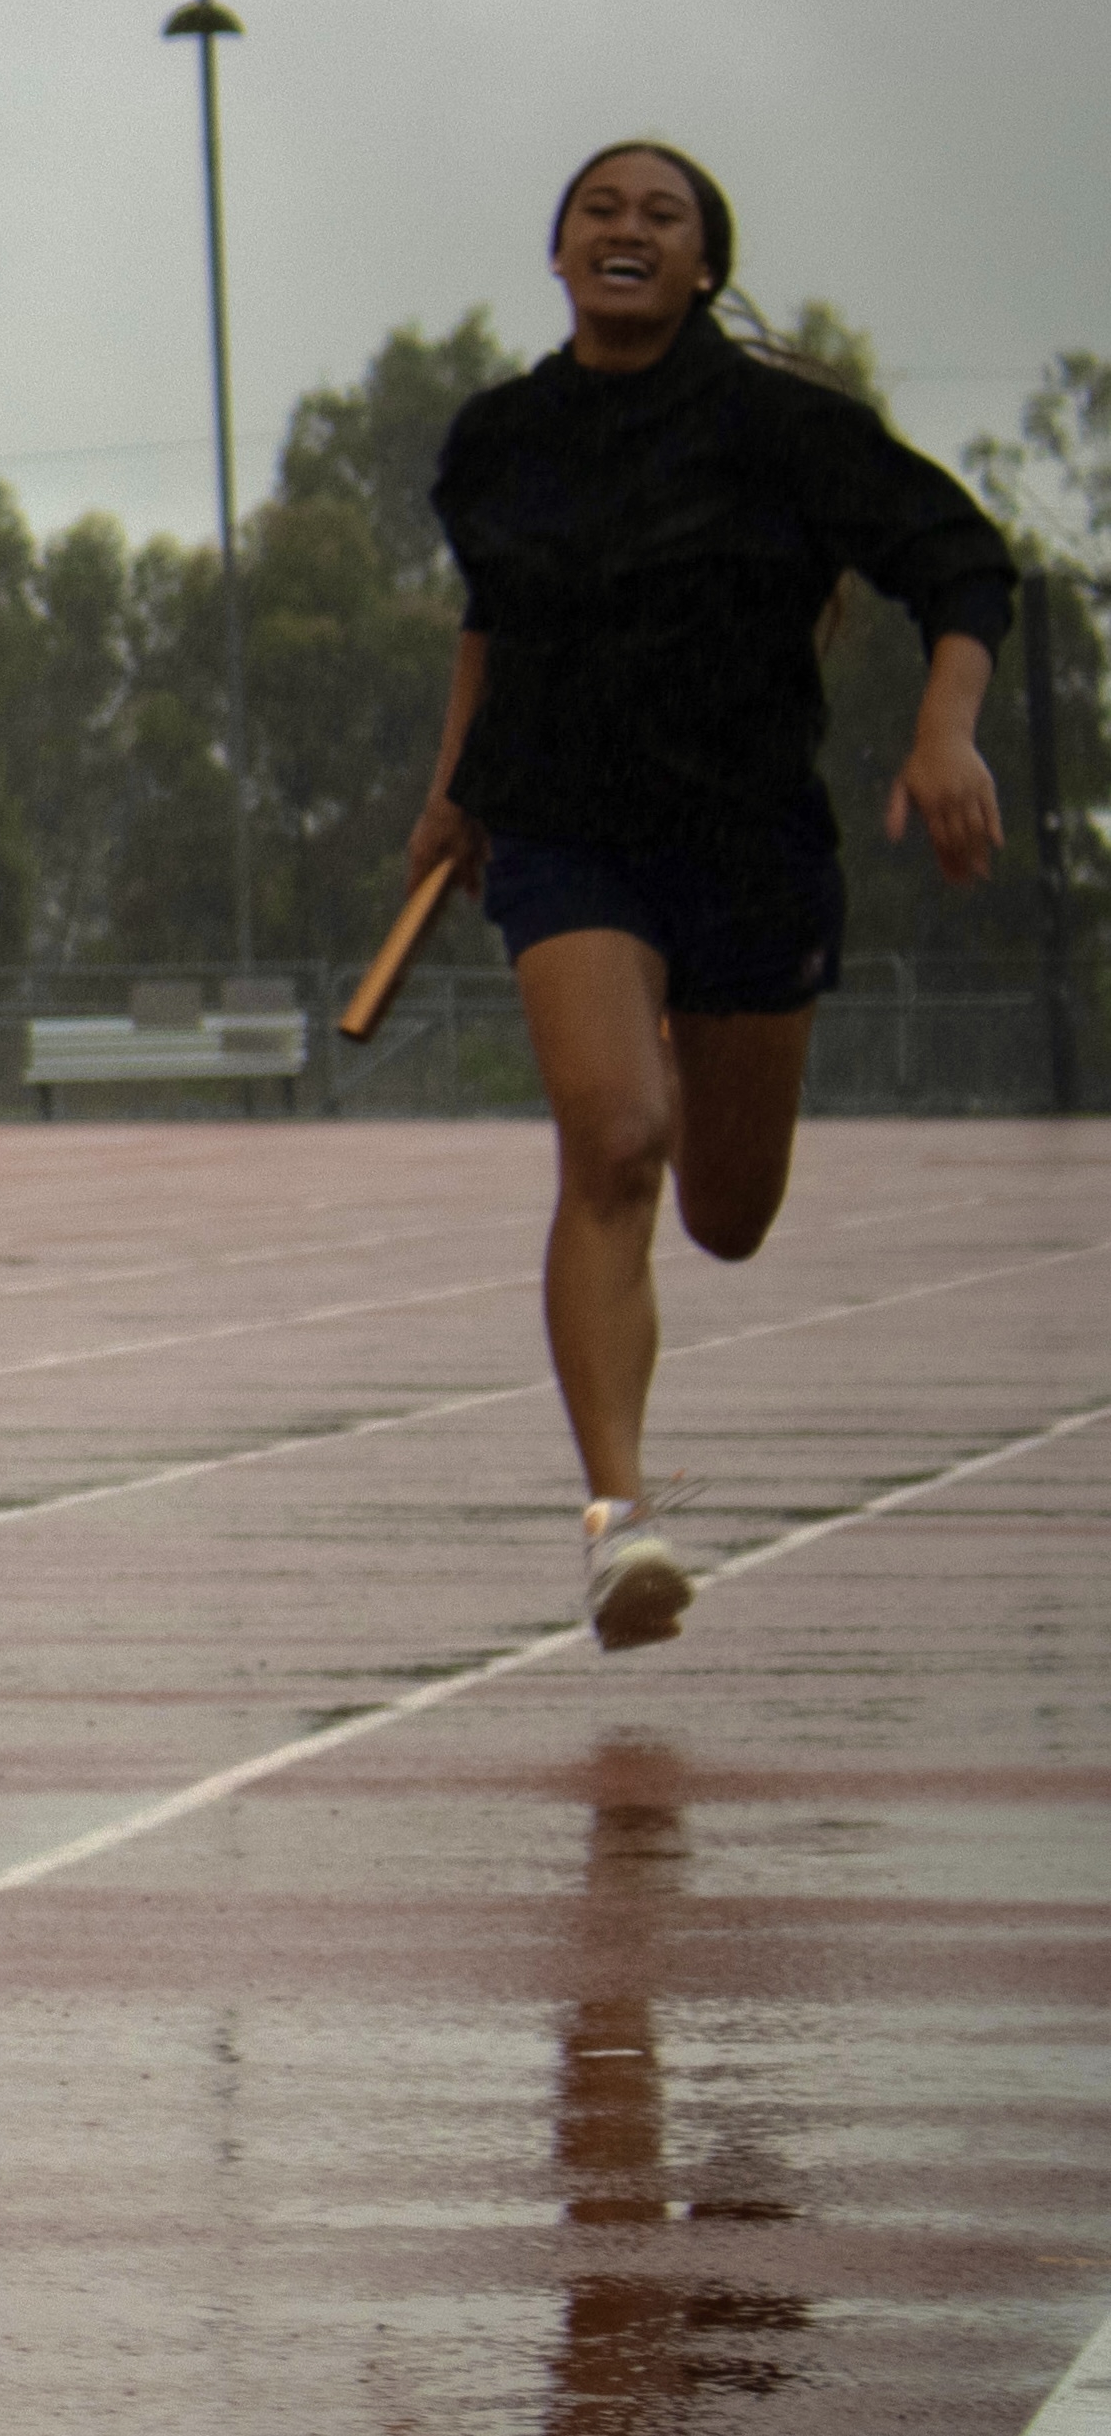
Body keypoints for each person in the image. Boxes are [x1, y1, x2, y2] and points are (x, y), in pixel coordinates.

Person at [401, 139, 1011, 1650]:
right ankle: (620, 1521)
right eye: (600, 210)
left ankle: (675, 1046)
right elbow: (495, 618)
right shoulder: (498, 440)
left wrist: (945, 734)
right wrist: (452, 787)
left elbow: (966, 565)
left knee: (726, 1215)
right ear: (558, 255)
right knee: (615, 1143)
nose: (627, 229)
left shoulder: (785, 430)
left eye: (662, 217)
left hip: (747, 847)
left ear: (701, 267)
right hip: (568, 837)